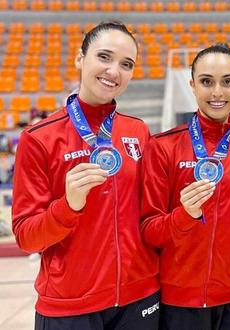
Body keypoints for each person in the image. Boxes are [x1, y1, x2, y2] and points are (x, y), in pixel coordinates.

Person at [11, 21, 159, 329]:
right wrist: (69, 206)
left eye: (126, 64)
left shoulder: (138, 131)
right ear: (81, 58)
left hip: (139, 298)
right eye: (104, 57)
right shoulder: (39, 138)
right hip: (70, 306)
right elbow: (27, 237)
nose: (114, 71)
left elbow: (150, 216)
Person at [140, 43, 230, 330]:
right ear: (192, 85)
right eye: (207, 82)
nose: (217, 92)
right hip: (179, 305)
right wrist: (185, 215)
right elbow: (149, 230)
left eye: (228, 81)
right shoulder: (162, 147)